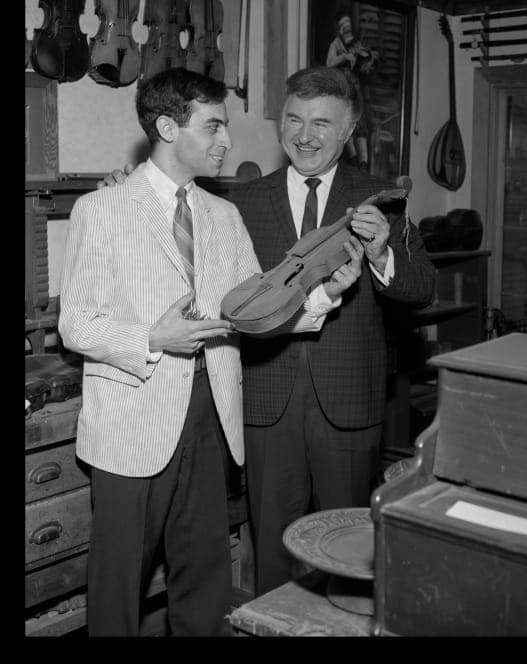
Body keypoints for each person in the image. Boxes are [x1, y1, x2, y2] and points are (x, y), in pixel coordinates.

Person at [102, 66, 436, 597]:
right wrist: (124, 188)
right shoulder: (240, 200)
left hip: (348, 404)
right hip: (264, 401)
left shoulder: (381, 198)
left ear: (349, 131)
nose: (305, 135)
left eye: (323, 124)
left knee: (349, 549)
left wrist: (382, 254)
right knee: (272, 549)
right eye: (295, 119)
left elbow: (421, 289)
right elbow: (174, 218)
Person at [60, 67, 363, 635]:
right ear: (169, 127)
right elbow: (75, 322)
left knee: (204, 575)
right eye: (215, 126)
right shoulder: (100, 210)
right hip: (132, 420)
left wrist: (324, 294)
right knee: (118, 582)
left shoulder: (225, 216)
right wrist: (152, 337)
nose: (228, 141)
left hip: (210, 414)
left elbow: (257, 312)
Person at [326, 13, 379, 170]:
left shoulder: (355, 43)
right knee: (347, 125)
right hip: (342, 90)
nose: (348, 30)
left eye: (350, 27)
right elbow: (329, 63)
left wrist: (370, 60)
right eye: (345, 27)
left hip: (356, 89)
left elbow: (362, 68)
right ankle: (354, 160)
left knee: (360, 125)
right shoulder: (335, 44)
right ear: (341, 29)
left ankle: (363, 164)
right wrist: (345, 56)